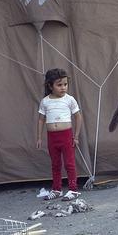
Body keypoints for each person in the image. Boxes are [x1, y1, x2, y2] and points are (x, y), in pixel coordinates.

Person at [36, 68, 83, 201]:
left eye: (65, 84)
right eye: (59, 85)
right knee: (55, 164)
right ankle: (57, 189)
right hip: (52, 138)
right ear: (50, 86)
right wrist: (39, 137)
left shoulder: (70, 100)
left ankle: (73, 190)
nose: (63, 88)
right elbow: (41, 119)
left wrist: (76, 136)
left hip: (66, 136)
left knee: (69, 163)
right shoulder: (45, 101)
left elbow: (78, 117)